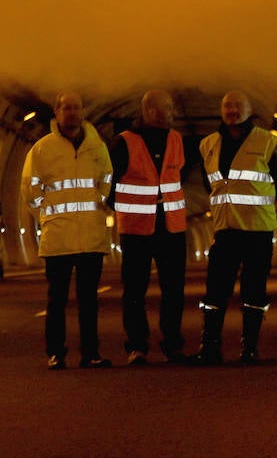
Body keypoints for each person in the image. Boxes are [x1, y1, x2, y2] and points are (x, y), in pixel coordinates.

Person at [192, 90, 277, 365]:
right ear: (221, 110)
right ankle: (210, 346)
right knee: (215, 289)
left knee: (254, 290)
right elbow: (210, 183)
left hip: (257, 229)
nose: (232, 110)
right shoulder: (208, 145)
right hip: (225, 229)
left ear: (250, 110)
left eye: (239, 106)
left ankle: (250, 348)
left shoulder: (267, 142)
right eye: (227, 106)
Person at [21, 91, 114, 370]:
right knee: (56, 300)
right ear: (57, 113)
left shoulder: (98, 147)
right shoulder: (42, 149)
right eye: (67, 108)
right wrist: (46, 216)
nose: (72, 113)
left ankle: (90, 354)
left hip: (90, 234)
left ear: (83, 112)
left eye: (77, 108)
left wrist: (99, 205)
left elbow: (107, 180)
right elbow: (30, 189)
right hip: (58, 236)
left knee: (89, 301)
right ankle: (56, 353)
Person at [108, 89, 189, 366]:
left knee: (174, 290)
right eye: (164, 108)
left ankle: (173, 344)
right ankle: (137, 346)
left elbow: (179, 176)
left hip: (172, 227)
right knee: (134, 291)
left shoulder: (177, 139)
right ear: (148, 111)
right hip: (136, 229)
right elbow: (109, 184)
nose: (170, 113)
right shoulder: (123, 143)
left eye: (170, 108)